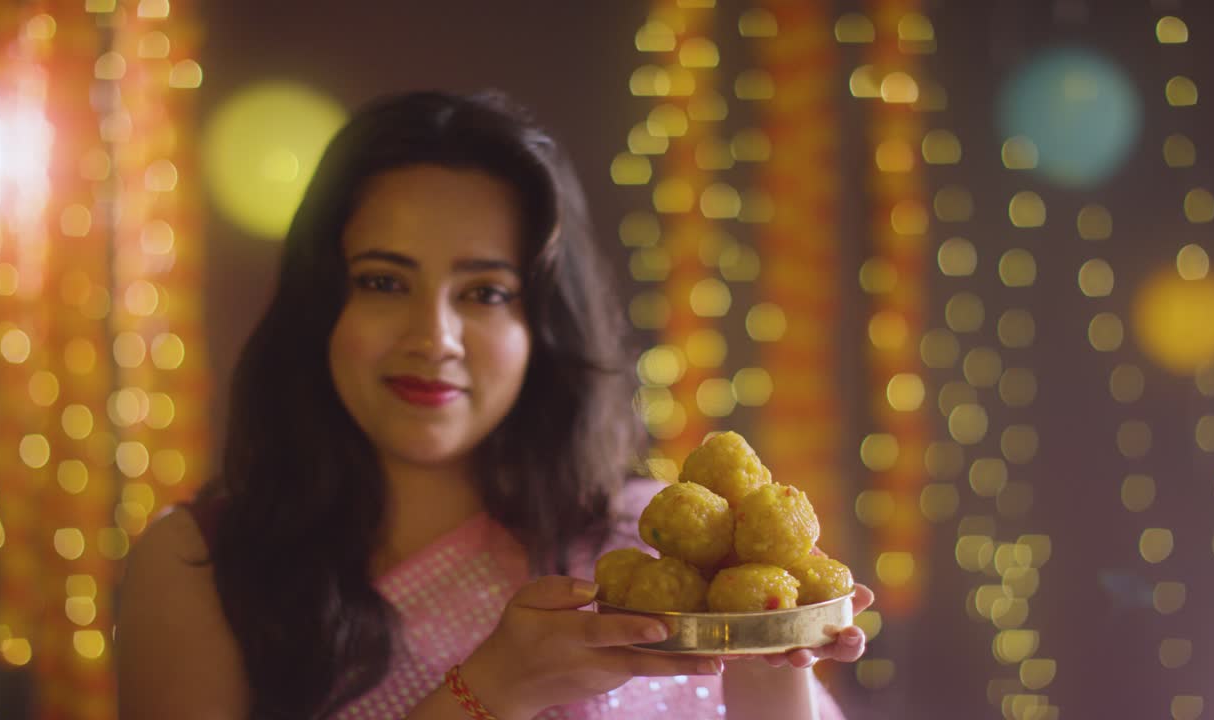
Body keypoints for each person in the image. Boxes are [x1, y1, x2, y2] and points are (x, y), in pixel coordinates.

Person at [115, 89, 874, 720]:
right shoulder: (201, 566)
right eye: (384, 282)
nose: (433, 336)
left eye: (484, 293)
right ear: (320, 307)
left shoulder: (648, 545)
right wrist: (490, 690)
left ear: (538, 328)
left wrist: (774, 666)